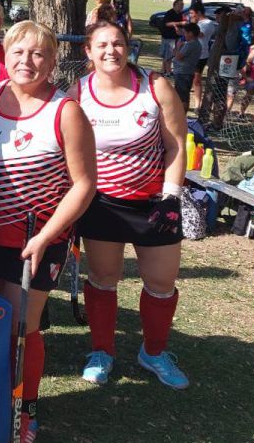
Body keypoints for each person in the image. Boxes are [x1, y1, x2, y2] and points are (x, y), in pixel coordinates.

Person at [0, 21, 96, 443]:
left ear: (53, 62)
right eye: (19, 52)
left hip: (37, 240)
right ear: (5, 52)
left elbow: (84, 184)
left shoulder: (66, 112)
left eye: (39, 55)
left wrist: (46, 235)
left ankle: (25, 410)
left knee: (21, 328)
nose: (27, 62)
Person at [71, 20, 189, 393]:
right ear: (88, 52)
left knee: (161, 282)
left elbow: (176, 145)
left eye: (118, 43)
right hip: (102, 204)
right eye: (102, 45)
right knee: (104, 279)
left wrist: (171, 194)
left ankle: (153, 353)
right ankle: (102, 352)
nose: (112, 51)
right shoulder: (79, 92)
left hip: (155, 203)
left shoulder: (156, 87)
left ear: (128, 47)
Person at [189, 3, 217, 110]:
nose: (191, 15)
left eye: (192, 13)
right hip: (190, 53)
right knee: (187, 78)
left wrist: (193, 25)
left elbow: (200, 35)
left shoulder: (208, 23)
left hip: (201, 54)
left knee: (197, 79)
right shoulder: (197, 22)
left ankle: (197, 104)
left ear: (199, 13)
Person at [171, 23, 202, 107]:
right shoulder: (189, 44)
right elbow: (174, 53)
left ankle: (182, 115)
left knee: (182, 97)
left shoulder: (191, 44)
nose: (184, 35)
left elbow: (178, 56)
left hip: (184, 73)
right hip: (182, 72)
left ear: (191, 33)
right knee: (180, 95)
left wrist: (178, 46)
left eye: (185, 33)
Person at [160, 0, 186, 74]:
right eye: (180, 4)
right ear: (175, 5)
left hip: (176, 37)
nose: (182, 6)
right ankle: (168, 71)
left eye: (182, 5)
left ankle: (163, 70)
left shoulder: (180, 14)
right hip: (168, 37)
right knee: (169, 55)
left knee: (169, 54)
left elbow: (181, 26)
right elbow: (167, 24)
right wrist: (180, 23)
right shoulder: (170, 13)